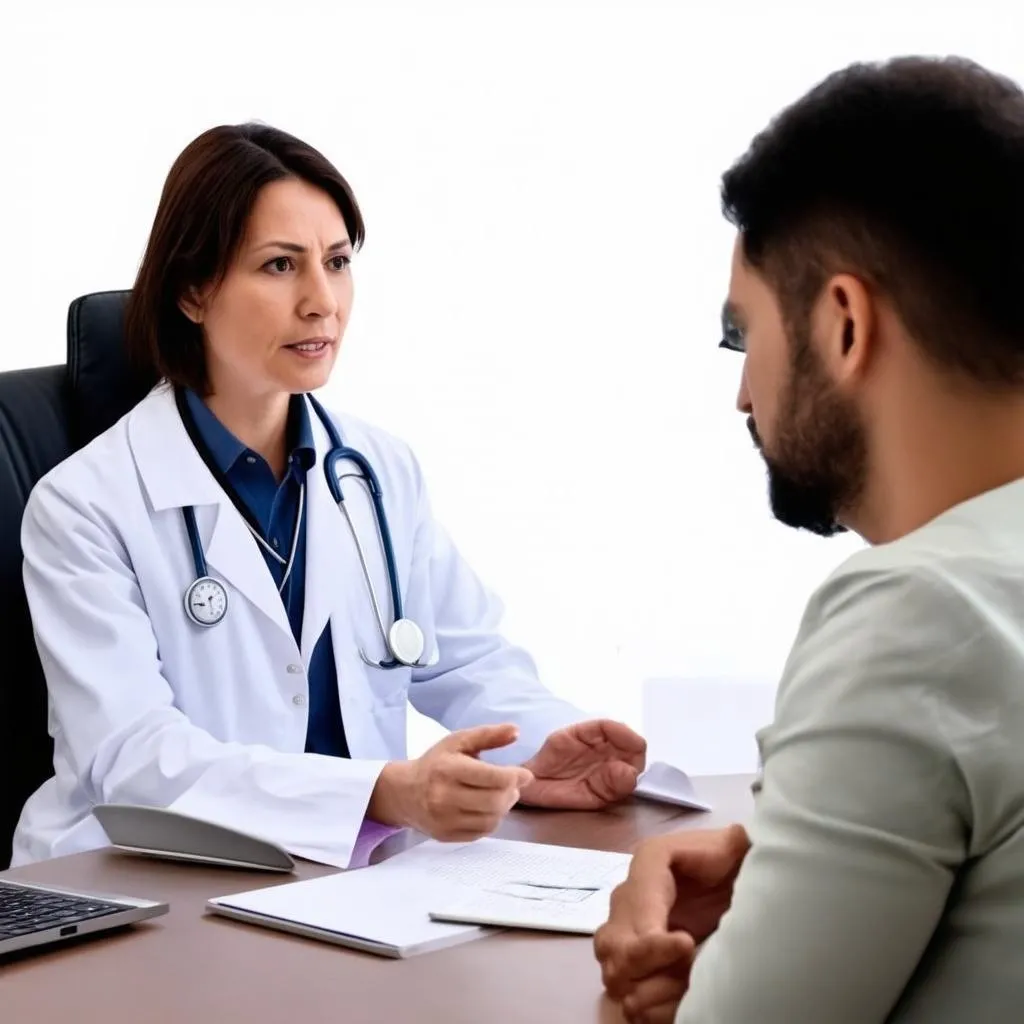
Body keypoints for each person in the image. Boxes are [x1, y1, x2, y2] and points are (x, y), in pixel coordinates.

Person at [11, 123, 646, 868]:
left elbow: (468, 662)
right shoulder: (83, 507)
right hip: (145, 884)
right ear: (192, 290)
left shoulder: (377, 473)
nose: (323, 302)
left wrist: (547, 746)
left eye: (337, 262)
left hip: (343, 884)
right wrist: (386, 793)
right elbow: (133, 759)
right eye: (281, 265)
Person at [595, 55, 1024, 1023]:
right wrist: (802, 872)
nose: (740, 394)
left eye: (741, 338)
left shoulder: (916, 610)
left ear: (841, 323)